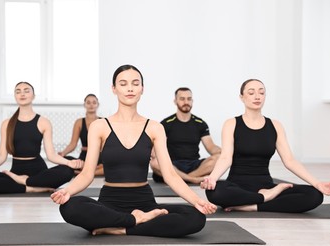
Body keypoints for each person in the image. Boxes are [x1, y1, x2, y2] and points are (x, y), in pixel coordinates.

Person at [51, 64, 217, 237]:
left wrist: (197, 201)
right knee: (69, 207)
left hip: (145, 202)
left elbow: (170, 174)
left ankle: (120, 227)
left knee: (195, 217)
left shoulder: (154, 127)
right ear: (114, 89)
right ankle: (135, 221)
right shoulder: (99, 126)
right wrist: (67, 191)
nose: (130, 88)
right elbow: (87, 175)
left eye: (135, 83)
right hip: (109, 202)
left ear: (142, 89)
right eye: (123, 84)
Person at [200, 79, 330, 213]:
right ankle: (263, 199)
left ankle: (251, 205)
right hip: (237, 186)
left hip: (266, 186)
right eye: (251, 92)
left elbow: (290, 161)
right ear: (242, 97)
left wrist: (318, 184)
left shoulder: (275, 126)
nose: (257, 96)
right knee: (215, 192)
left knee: (314, 195)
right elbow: (225, 158)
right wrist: (212, 178)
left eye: (261, 93)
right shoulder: (231, 124)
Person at [0, 82, 83, 194]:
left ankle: (25, 182)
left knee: (67, 170)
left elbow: (51, 155)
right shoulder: (7, 124)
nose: (22, 94)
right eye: (18, 91)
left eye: (26, 91)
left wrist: (69, 163)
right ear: (15, 96)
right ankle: (32, 188)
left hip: (39, 171)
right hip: (16, 172)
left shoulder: (43, 122)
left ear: (33, 96)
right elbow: (1, 156)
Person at [150, 87, 221, 184]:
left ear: (192, 101)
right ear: (175, 101)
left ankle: (183, 179)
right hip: (172, 165)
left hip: (195, 166)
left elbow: (211, 147)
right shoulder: (166, 124)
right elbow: (158, 148)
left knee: (220, 158)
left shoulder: (200, 123)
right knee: (154, 162)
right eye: (182, 99)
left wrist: (223, 152)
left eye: (189, 99)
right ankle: (192, 179)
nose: (186, 102)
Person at [58, 94, 103, 176]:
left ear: (98, 104)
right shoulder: (79, 122)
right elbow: (73, 144)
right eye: (88, 103)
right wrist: (63, 153)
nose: (91, 105)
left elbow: (107, 143)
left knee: (114, 164)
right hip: (84, 157)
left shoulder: (103, 121)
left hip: (99, 156)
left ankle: (85, 172)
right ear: (84, 105)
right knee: (64, 160)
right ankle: (92, 169)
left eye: (94, 102)